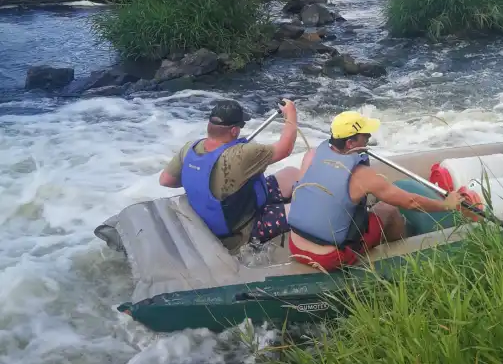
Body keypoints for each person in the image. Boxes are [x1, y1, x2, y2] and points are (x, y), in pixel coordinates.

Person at [287, 111, 480, 271]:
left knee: (364, 211)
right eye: (366, 136)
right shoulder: (362, 175)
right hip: (329, 257)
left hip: (295, 244)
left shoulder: (312, 155)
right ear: (350, 143)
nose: (369, 139)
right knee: (389, 211)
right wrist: (446, 204)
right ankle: (402, 254)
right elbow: (410, 202)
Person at [159, 99, 303, 248]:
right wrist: (291, 114)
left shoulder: (189, 148)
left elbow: (166, 180)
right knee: (302, 209)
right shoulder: (241, 154)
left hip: (226, 211)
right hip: (242, 231)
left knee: (291, 173)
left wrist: (200, 179)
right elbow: (285, 148)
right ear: (234, 131)